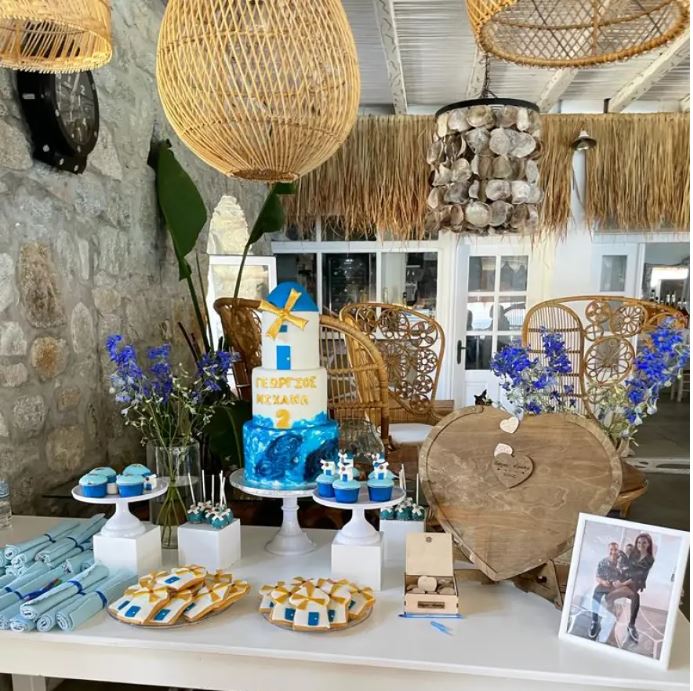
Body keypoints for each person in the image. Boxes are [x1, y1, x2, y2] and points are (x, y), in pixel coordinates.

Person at [606, 533, 655, 643]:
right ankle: (628, 624)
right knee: (634, 597)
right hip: (625, 580)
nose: (641, 545)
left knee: (630, 595)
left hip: (634, 583)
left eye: (644, 542)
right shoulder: (633, 554)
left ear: (649, 544)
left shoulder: (650, 559)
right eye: (638, 542)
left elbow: (638, 574)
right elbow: (625, 567)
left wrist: (622, 584)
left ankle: (630, 624)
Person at [589, 542, 622, 639]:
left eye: (615, 549)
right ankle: (594, 621)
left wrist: (619, 582)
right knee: (596, 595)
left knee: (611, 602)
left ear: (618, 550)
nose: (613, 552)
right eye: (611, 549)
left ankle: (609, 623)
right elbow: (597, 577)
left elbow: (626, 576)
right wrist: (603, 582)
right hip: (604, 584)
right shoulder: (603, 562)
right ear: (608, 550)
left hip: (616, 586)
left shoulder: (622, 562)